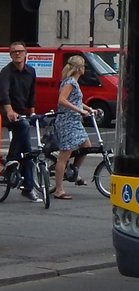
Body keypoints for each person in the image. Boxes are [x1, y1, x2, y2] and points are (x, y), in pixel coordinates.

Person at [0, 41, 39, 198]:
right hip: (5, 111)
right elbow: (3, 93)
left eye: (20, 51)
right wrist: (9, 110)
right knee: (22, 127)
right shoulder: (6, 72)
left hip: (21, 113)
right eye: (14, 52)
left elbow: (32, 94)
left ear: (25, 53)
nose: (17, 54)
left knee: (28, 152)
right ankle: (11, 159)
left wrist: (33, 113)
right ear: (10, 55)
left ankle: (28, 187)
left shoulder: (31, 71)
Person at [52, 55, 93, 200]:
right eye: (83, 66)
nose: (84, 69)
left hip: (75, 120)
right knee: (64, 155)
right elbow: (62, 100)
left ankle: (73, 171)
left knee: (86, 145)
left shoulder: (74, 82)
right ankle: (59, 189)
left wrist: (88, 109)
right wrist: (79, 110)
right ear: (78, 68)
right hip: (67, 121)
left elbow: (76, 101)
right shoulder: (70, 82)